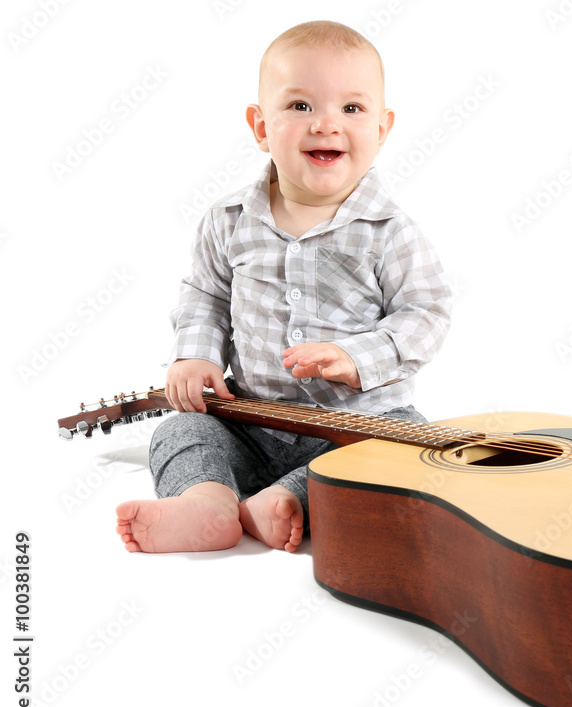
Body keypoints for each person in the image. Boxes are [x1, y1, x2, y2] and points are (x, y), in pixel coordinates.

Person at [115, 20, 452, 554]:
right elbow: (206, 295)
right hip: (250, 417)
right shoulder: (228, 220)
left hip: (358, 423)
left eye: (351, 108)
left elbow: (426, 314)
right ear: (260, 126)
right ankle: (207, 501)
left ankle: (285, 500)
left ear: (383, 128)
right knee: (180, 433)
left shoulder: (391, 232)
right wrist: (195, 356)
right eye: (300, 107)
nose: (326, 125)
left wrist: (356, 355)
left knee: (401, 455)